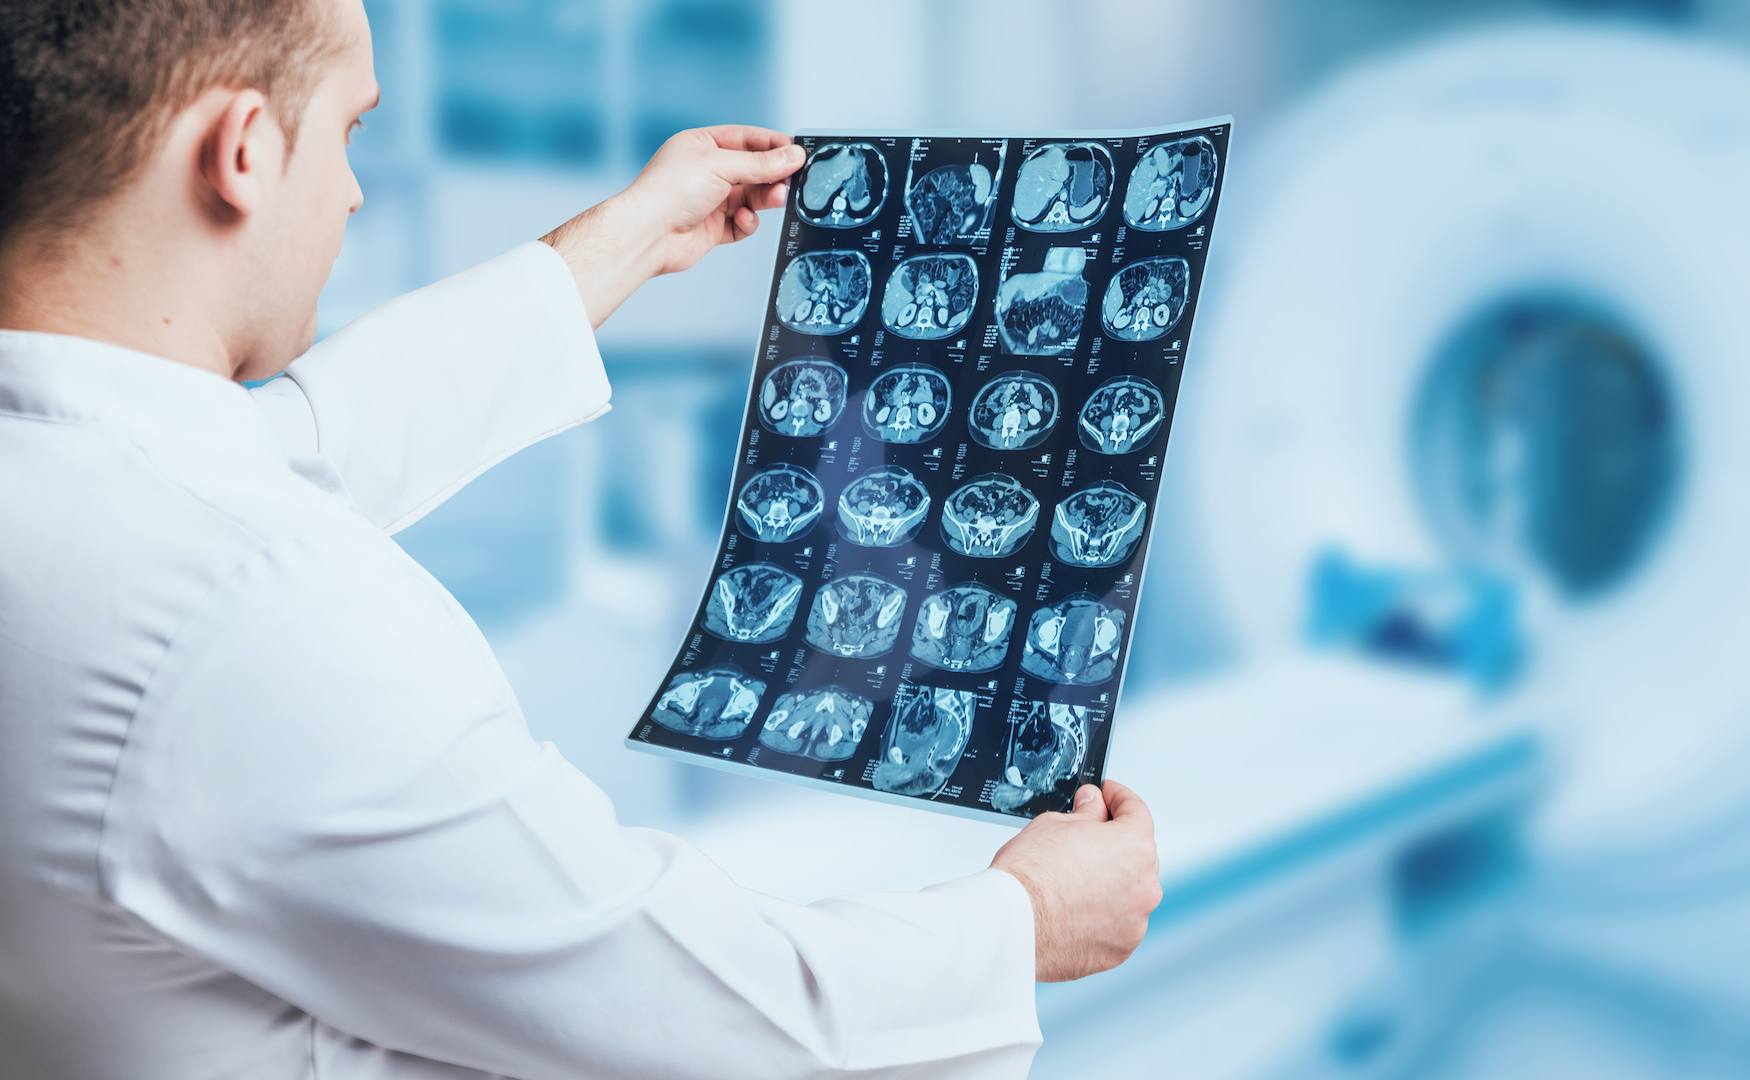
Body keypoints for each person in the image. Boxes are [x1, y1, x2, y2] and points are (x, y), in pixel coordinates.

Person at [0, 1, 1161, 1077]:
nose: (352, 192)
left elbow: (283, 449)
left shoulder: (82, 478)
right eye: (349, 131)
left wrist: (624, 243)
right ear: (242, 151)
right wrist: (1027, 925)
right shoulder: (259, 613)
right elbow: (702, 1023)